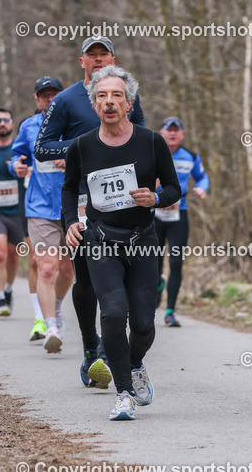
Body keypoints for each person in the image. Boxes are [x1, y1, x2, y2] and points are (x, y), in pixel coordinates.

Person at [62, 65, 180, 421]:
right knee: (113, 315)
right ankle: (124, 393)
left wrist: (155, 198)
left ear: (129, 103)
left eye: (116, 96)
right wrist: (70, 222)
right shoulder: (81, 146)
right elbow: (69, 188)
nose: (109, 102)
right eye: (101, 96)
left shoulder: (151, 141)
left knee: (143, 325)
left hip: (142, 241)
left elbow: (174, 188)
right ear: (94, 104)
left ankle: (134, 363)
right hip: (101, 241)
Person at [36, 36, 144, 387]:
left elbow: (141, 136)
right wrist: (86, 144)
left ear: (113, 58)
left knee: (123, 275)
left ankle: (111, 349)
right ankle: (90, 348)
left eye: (104, 55)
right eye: (91, 55)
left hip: (123, 197)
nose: (98, 60)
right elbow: (42, 148)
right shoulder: (66, 100)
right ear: (82, 61)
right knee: (85, 276)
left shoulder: (129, 94)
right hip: (83, 197)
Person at [10, 77, 74, 350]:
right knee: (46, 267)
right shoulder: (28, 127)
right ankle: (50, 327)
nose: (49, 99)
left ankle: (57, 307)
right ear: (36, 99)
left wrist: (70, 156)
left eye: (54, 95)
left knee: (68, 268)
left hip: (72, 205)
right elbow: (16, 157)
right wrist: (17, 167)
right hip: (39, 207)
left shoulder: (75, 124)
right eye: (44, 95)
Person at [153, 116, 209, 327]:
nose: (173, 133)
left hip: (179, 214)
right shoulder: (153, 153)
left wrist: (202, 187)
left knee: (176, 262)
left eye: (177, 130)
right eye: (169, 130)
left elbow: (202, 176)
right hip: (154, 214)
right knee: (154, 263)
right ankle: (157, 285)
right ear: (161, 133)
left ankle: (170, 312)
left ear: (183, 134)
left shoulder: (190, 156)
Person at [0, 108, 23, 317]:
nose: (2, 123)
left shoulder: (20, 148)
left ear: (11, 124)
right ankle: (0, 299)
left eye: (5, 120)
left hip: (17, 211)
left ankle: (8, 290)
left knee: (13, 255)